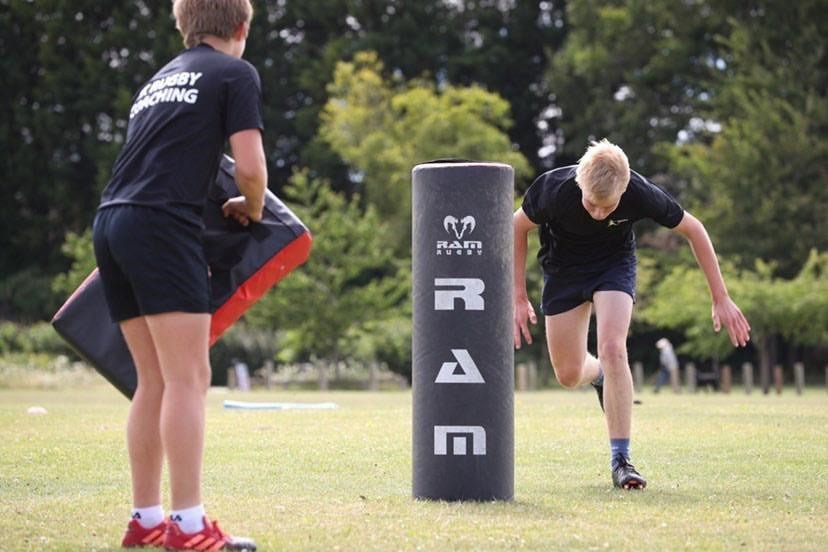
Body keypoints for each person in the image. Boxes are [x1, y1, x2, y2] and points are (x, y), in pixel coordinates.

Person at [92, 1, 266, 549]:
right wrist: (254, 206)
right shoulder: (236, 72)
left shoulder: (160, 78)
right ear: (240, 28)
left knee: (155, 380)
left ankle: (146, 518)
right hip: (161, 227)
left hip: (111, 222)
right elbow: (251, 168)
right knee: (189, 378)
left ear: (183, 26)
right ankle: (188, 527)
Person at [513, 139, 751, 490]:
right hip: (563, 272)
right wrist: (518, 295)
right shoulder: (553, 189)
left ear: (624, 190)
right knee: (568, 374)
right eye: (591, 204)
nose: (597, 213)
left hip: (613, 266)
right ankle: (598, 376)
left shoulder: (640, 192)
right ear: (580, 183)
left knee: (613, 348)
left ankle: (621, 459)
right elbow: (517, 227)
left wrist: (721, 297)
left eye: (607, 207)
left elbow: (694, 229)